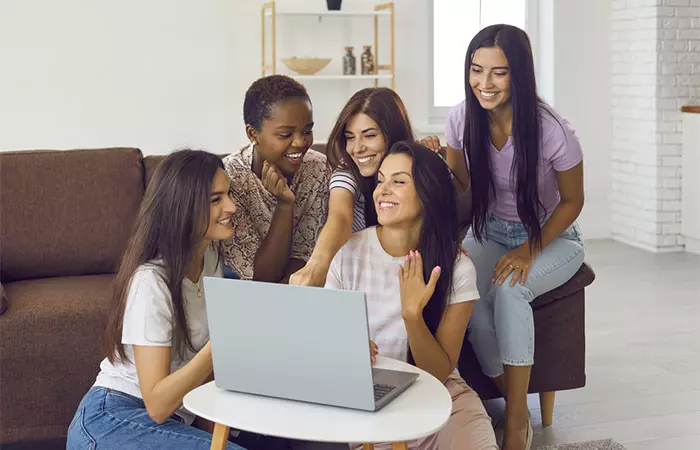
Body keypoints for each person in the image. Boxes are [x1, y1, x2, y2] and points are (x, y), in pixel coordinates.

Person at [425, 24, 585, 450]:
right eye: (477, 71)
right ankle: (515, 398)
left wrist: (528, 249)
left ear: (520, 74)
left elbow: (572, 200)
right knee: (467, 293)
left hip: (553, 235)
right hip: (489, 229)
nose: (484, 83)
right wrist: (434, 161)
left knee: (510, 291)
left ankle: (515, 422)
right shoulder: (461, 117)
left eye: (499, 72)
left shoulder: (554, 130)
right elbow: (461, 187)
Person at [326, 141, 498, 450]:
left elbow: (438, 372)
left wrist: (411, 315)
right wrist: (347, 351)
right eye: (380, 180)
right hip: (373, 405)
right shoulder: (347, 254)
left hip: (444, 401)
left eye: (399, 181)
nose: (383, 190)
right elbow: (327, 346)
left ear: (428, 193)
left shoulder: (457, 267)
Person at [67, 150, 244, 449]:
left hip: (169, 422)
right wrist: (224, 342)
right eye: (216, 199)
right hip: (112, 418)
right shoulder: (151, 282)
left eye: (228, 194)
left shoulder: (211, 257)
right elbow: (158, 404)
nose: (232, 206)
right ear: (183, 207)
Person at [289, 87, 414, 287]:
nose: (357, 148)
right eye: (350, 137)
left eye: (369, 135)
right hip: (359, 280)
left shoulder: (423, 167)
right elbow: (340, 215)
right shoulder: (348, 170)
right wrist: (315, 267)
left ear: (393, 132)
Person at [223, 75, 329, 283]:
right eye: (285, 134)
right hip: (239, 288)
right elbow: (260, 277)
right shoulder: (230, 178)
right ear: (253, 134)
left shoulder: (318, 168)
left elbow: (304, 260)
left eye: (307, 131)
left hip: (299, 287)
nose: (300, 142)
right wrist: (284, 205)